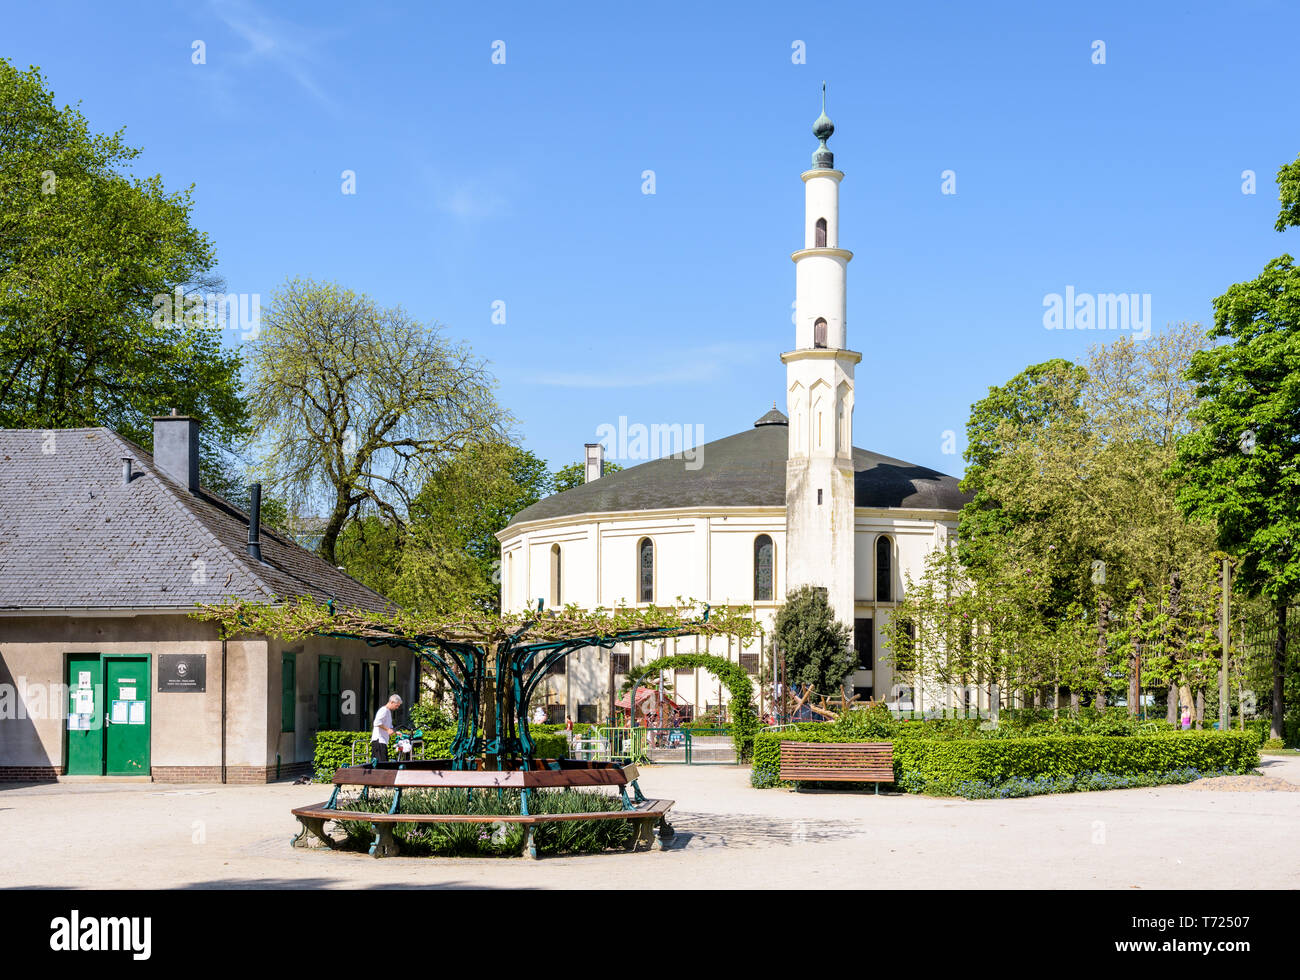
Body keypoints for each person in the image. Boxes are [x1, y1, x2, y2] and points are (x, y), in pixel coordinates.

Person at [370, 693, 402, 763]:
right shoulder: (383, 710)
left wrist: (396, 732)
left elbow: (389, 727)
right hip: (379, 741)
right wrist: (387, 730)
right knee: (381, 765)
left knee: (382, 764)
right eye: (397, 705)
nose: (397, 708)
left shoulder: (388, 712)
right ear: (392, 702)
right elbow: (376, 722)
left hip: (382, 742)